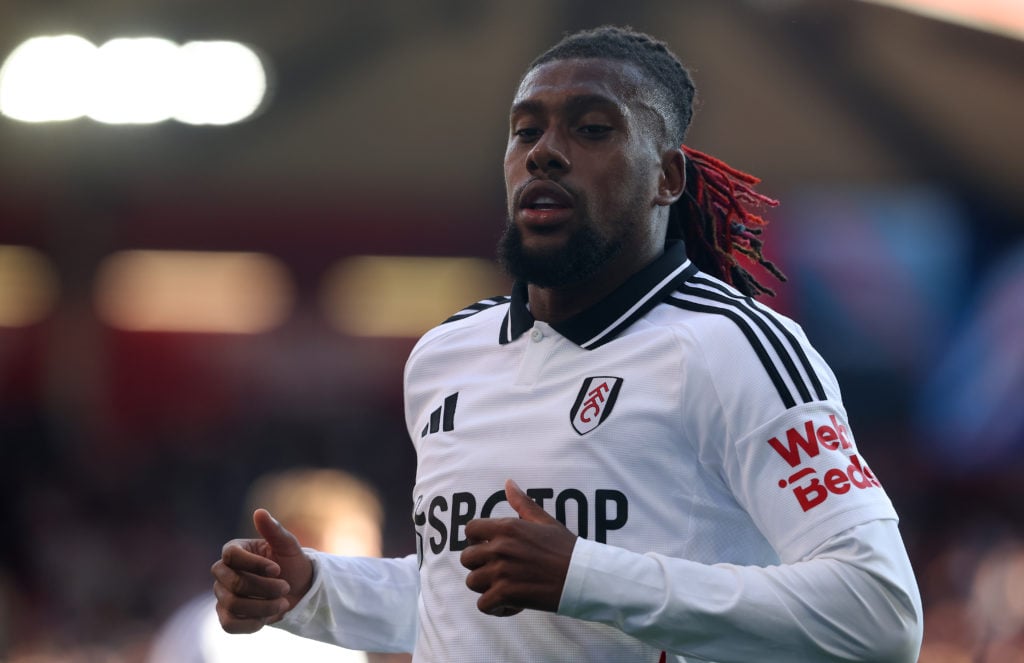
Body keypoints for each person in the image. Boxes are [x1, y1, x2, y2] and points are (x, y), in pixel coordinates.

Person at [211, 25, 923, 662]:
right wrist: (313, 588)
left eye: (590, 129)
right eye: (526, 131)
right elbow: (467, 600)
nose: (546, 153)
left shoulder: (733, 347)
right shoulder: (445, 355)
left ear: (666, 177)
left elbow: (879, 612)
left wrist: (584, 575)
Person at [151, 468, 410, 663]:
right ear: (296, 540)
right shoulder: (307, 643)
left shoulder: (190, 619)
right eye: (359, 539)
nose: (376, 557)